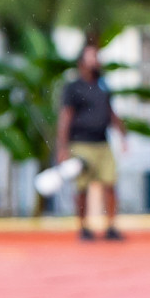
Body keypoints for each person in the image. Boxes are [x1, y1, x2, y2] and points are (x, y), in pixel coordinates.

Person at [57, 43, 128, 241]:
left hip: (103, 143)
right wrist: (62, 147)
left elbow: (111, 112)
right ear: (81, 63)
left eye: (96, 56)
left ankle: (111, 226)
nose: (96, 60)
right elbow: (66, 117)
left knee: (110, 183)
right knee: (82, 187)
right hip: (81, 143)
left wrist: (123, 135)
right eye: (91, 57)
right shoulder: (73, 88)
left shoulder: (103, 85)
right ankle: (83, 226)